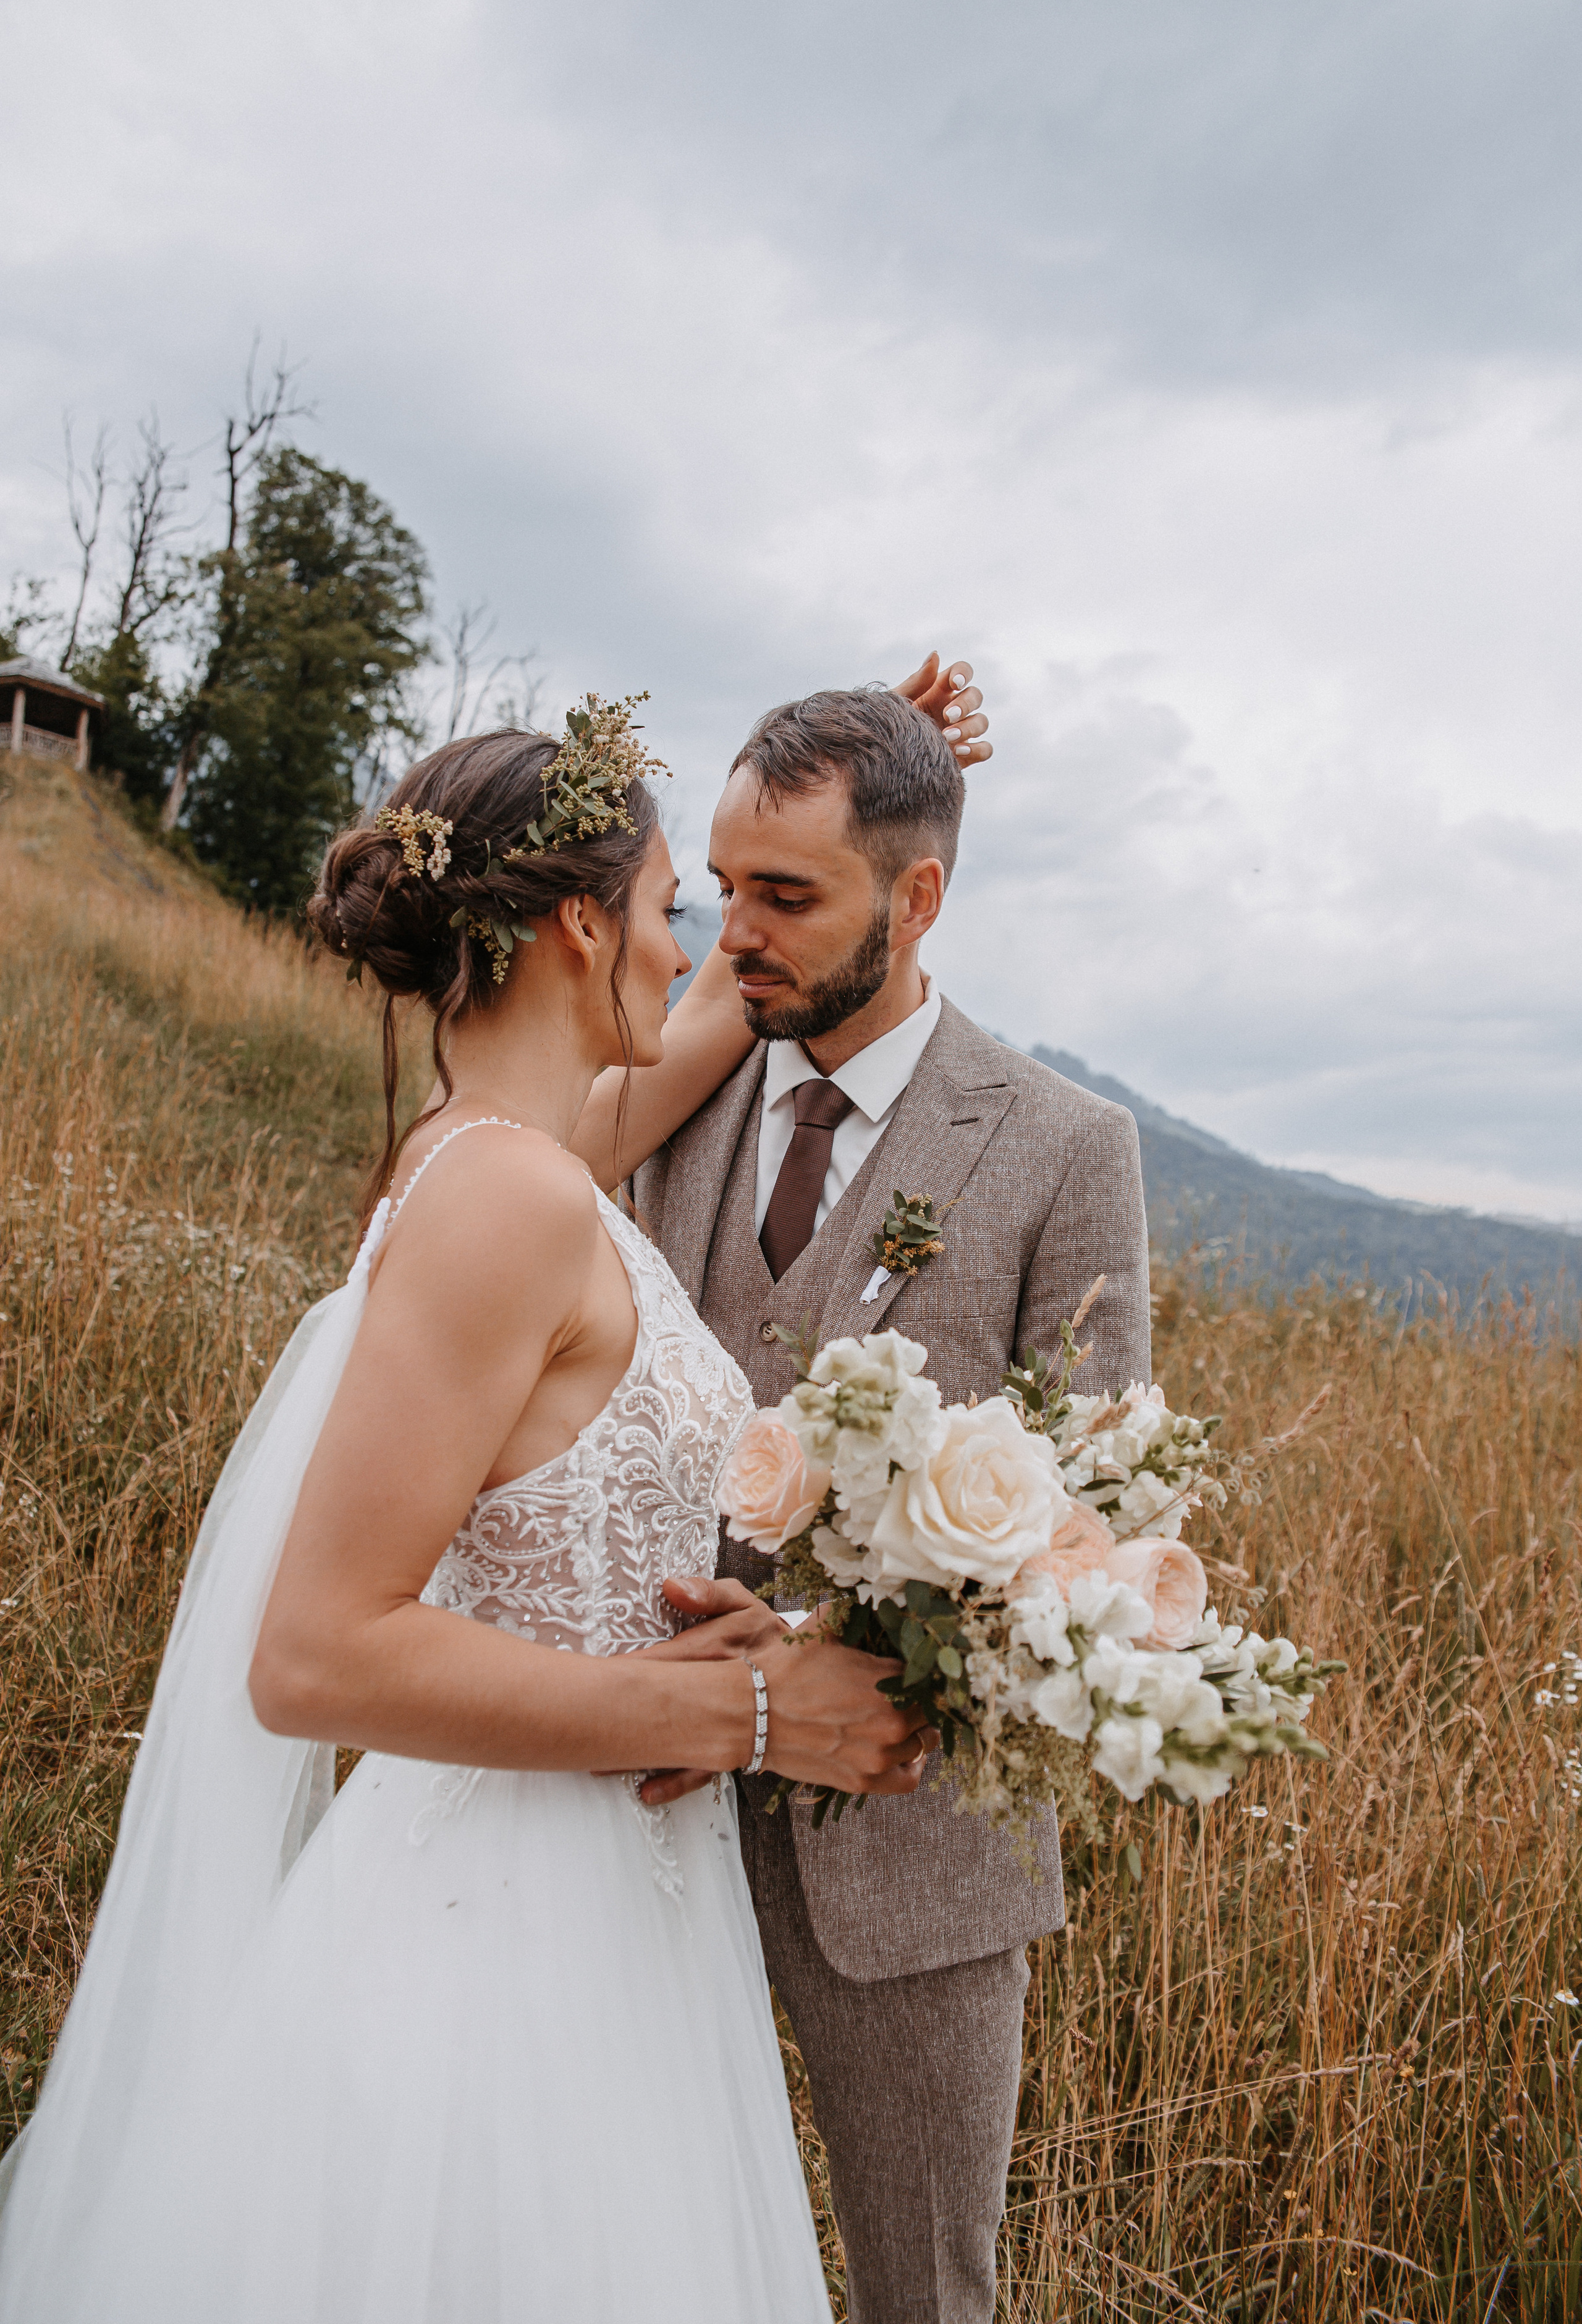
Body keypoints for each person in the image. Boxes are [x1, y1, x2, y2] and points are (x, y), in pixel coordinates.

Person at [0, 682, 984, 2324]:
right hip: (498, 1949)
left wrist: (877, 818)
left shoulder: (501, 1160)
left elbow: (703, 1034)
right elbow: (312, 1658)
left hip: (606, 1906)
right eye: (675, 907)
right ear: (581, 932)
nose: (697, 950)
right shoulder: (510, 1199)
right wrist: (747, 1709)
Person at [628, 686, 1152, 2324]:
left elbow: (1094, 1519)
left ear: (918, 901)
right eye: (724, 890)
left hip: (914, 1858)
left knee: (925, 2294)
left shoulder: (1069, 1147)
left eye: (789, 898)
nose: (739, 934)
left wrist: (814, 1647)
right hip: (631, 1813)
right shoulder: (674, 1086)